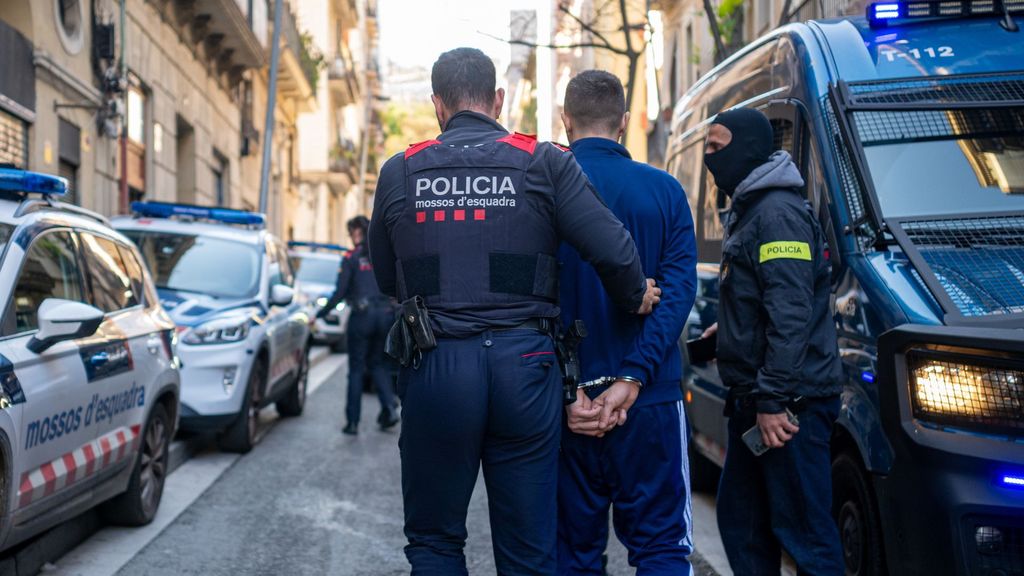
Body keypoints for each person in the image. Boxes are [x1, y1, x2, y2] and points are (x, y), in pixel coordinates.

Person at [369, 47, 660, 575]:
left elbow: (389, 278)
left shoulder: (400, 170)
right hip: (524, 367)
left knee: (434, 542)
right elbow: (614, 249)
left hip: (436, 365)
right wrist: (635, 293)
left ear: (437, 105)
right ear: (498, 100)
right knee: (528, 551)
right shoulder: (544, 161)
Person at [555, 70, 698, 576]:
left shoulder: (540, 192)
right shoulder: (664, 190)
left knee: (570, 556)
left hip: (565, 406)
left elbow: (529, 304)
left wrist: (571, 391)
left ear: (564, 120)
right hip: (651, 401)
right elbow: (678, 295)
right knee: (662, 548)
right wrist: (633, 375)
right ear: (622, 123)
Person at [700, 107, 843, 575]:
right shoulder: (753, 209)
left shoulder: (777, 214)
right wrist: (733, 330)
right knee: (744, 526)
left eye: (717, 147)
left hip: (786, 407)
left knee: (805, 536)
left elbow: (792, 311)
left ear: (746, 148)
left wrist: (773, 400)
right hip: (759, 399)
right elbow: (769, 298)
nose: (708, 158)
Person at [318, 215, 399, 435]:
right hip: (384, 315)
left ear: (358, 233)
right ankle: (390, 409)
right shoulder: (383, 256)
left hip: (362, 317)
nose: (353, 237)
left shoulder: (351, 258)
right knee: (378, 365)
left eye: (354, 232)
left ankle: (353, 422)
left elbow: (340, 292)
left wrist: (320, 314)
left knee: (356, 369)